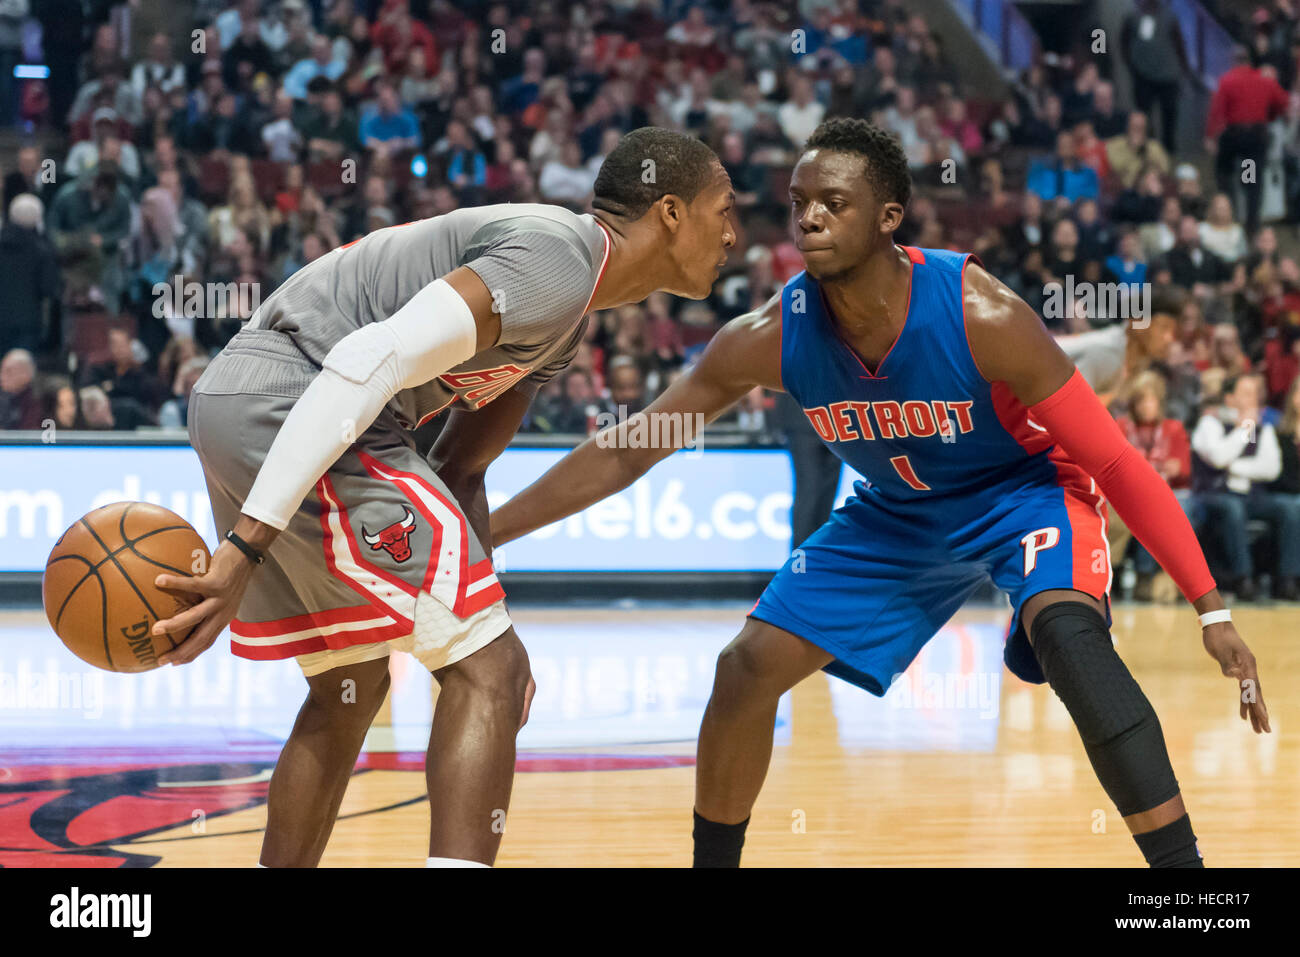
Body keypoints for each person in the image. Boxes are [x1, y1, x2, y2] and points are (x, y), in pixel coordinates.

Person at [490, 119, 1270, 868]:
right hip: (898, 514)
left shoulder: (983, 313)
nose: (809, 218)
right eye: (799, 202)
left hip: (1022, 492)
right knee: (746, 667)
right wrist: (486, 529)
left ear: (889, 216)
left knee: (1068, 637)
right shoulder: (769, 334)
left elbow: (1117, 464)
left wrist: (1212, 606)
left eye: (834, 202)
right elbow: (630, 450)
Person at [149, 127, 737, 868]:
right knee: (491, 672)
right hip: (299, 395)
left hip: (248, 398)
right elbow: (371, 356)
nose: (734, 232)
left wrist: (487, 608)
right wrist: (243, 549)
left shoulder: (564, 317)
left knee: (351, 688)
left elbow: (459, 469)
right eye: (725, 207)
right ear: (673, 211)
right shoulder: (556, 257)